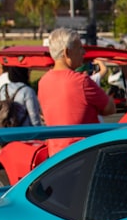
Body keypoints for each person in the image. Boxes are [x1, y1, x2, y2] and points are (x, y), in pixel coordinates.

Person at [38, 27, 116, 155]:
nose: (83, 52)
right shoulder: (81, 82)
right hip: (84, 153)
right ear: (67, 52)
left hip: (56, 156)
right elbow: (110, 108)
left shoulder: (43, 82)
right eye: (79, 48)